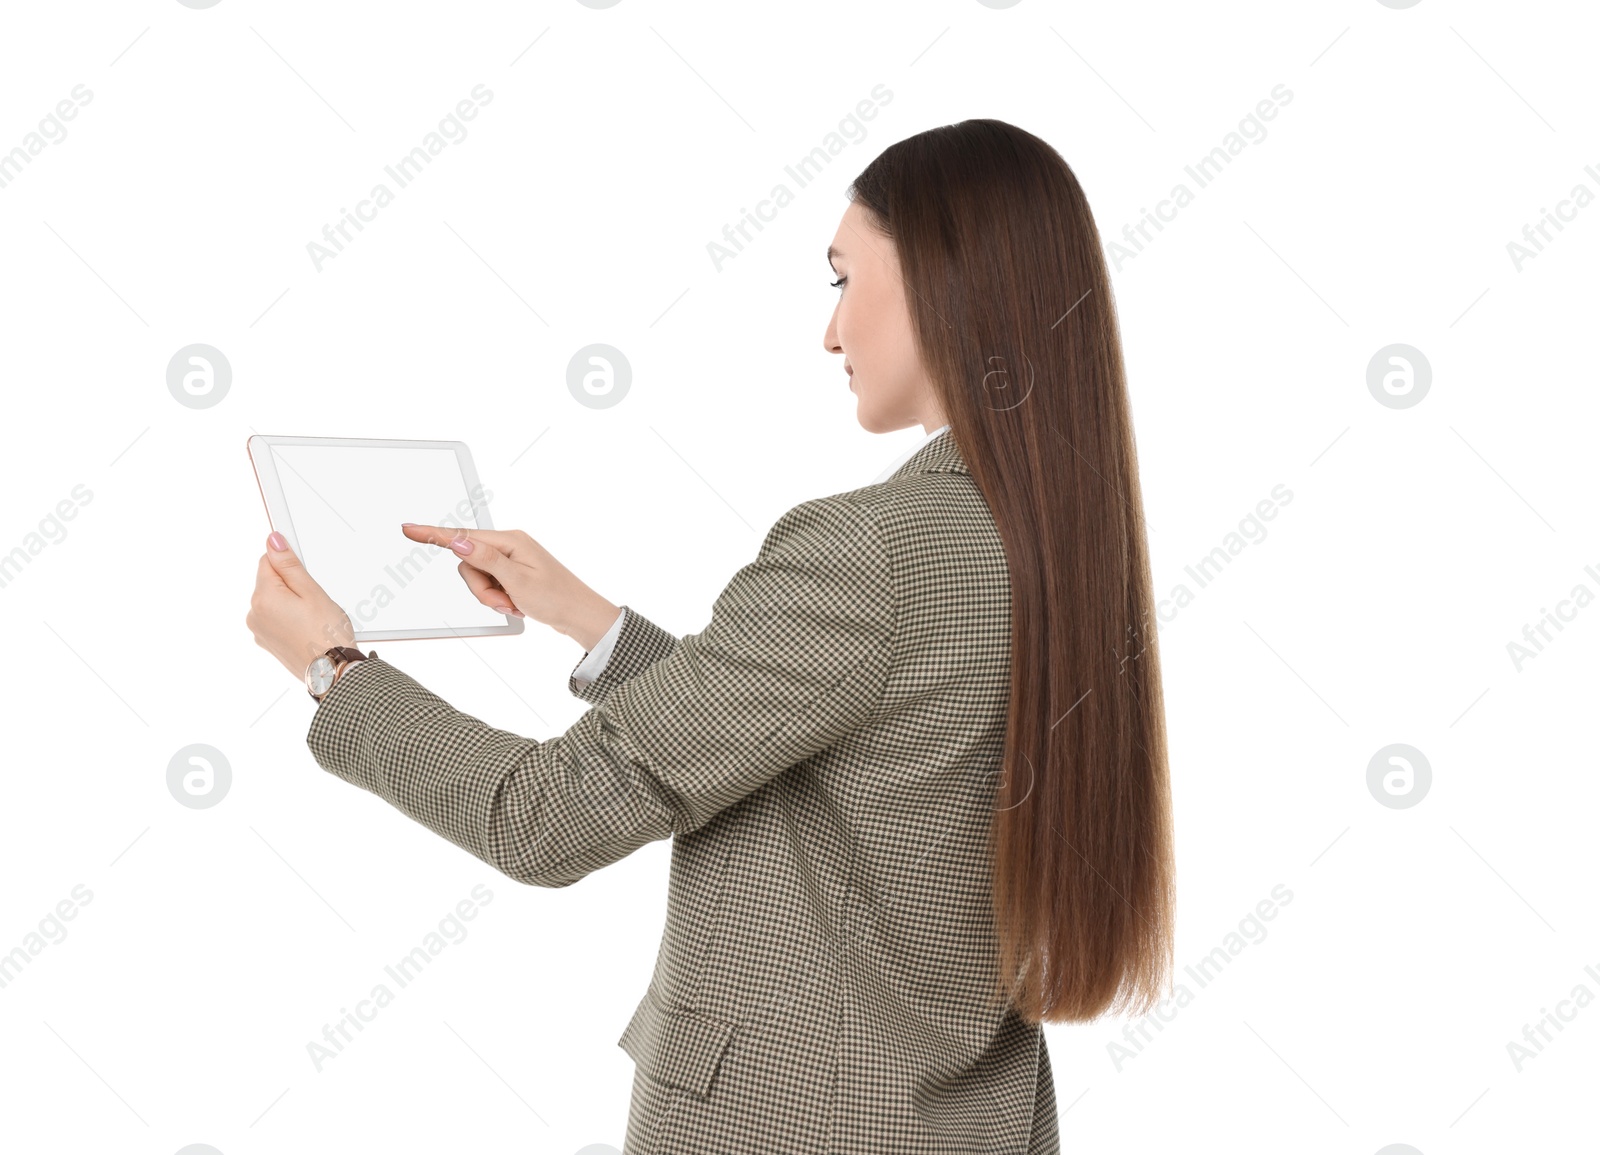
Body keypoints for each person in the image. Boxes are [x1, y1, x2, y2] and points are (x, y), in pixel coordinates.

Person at [246, 117, 1175, 1154]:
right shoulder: (1056, 538)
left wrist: (334, 670)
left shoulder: (869, 547)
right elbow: (833, 744)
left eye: (839, 280)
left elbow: (543, 819)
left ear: (944, 282)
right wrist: (583, 618)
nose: (829, 334)